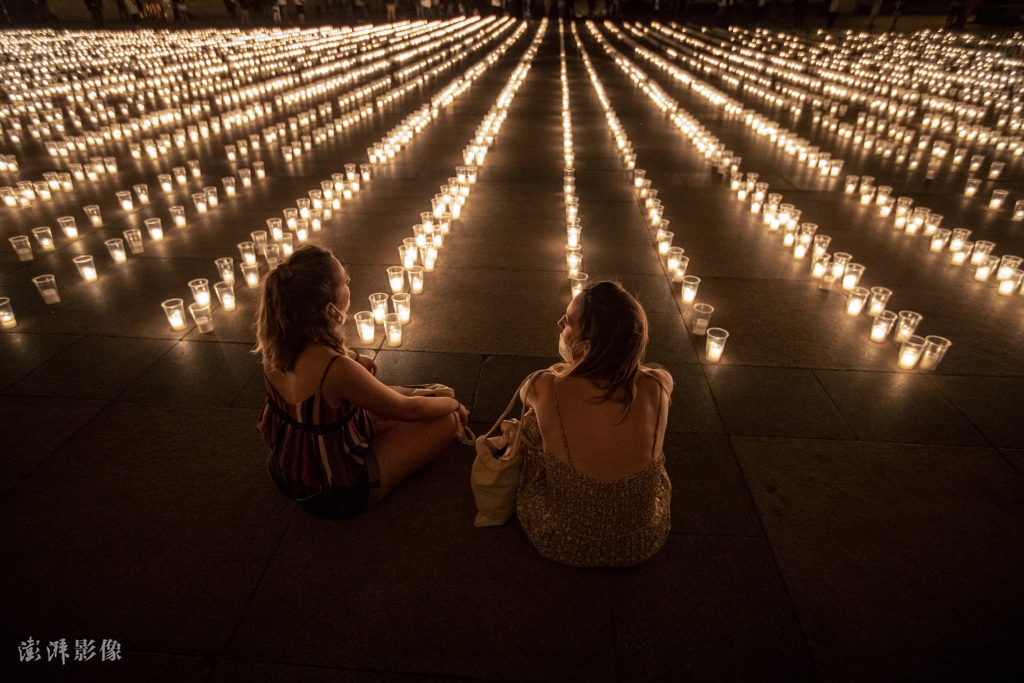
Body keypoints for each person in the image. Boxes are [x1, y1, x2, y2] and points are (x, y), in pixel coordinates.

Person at [255, 246, 469, 519]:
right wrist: (454, 404)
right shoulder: (335, 368)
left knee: (401, 404)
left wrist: (355, 356)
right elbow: (408, 410)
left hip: (286, 468)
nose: (349, 283)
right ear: (329, 306)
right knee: (445, 422)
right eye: (344, 282)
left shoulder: (276, 344)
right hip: (333, 492)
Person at [513, 281, 673, 567]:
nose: (560, 323)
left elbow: (526, 394)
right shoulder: (660, 384)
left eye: (569, 322)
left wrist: (564, 372)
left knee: (531, 423)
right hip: (640, 540)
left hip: (562, 540)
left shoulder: (543, 386)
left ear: (585, 347)